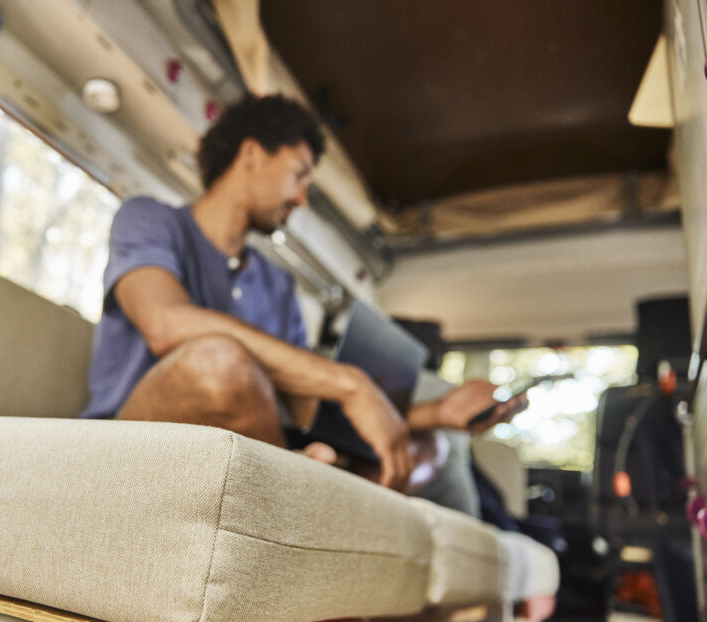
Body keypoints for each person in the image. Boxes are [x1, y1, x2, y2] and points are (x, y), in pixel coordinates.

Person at [82, 94, 519, 491]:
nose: (303, 199)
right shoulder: (149, 219)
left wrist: (437, 413)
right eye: (299, 175)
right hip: (131, 440)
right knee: (218, 362)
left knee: (425, 447)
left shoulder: (278, 285)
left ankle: (299, 484)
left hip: (255, 441)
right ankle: (297, 486)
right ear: (251, 154)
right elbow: (166, 323)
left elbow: (306, 406)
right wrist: (351, 383)